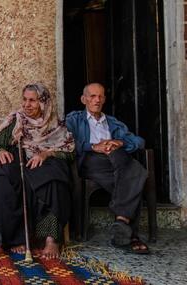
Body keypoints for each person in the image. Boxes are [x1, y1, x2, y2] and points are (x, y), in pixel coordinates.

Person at [0, 83, 75, 259]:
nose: (26, 105)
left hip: (46, 161)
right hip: (21, 159)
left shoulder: (55, 124)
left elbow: (70, 152)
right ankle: (16, 238)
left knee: (55, 180)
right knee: (4, 179)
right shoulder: (17, 120)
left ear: (43, 103)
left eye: (32, 101)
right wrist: (1, 151)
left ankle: (52, 239)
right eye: (25, 100)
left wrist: (46, 154)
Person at [66, 83, 149, 254]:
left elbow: (139, 141)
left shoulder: (112, 122)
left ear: (104, 99)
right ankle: (131, 233)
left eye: (100, 97)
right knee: (136, 174)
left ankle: (122, 226)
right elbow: (66, 143)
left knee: (127, 170)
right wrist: (93, 146)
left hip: (116, 162)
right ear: (84, 99)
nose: (96, 100)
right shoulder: (74, 119)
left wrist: (121, 142)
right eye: (92, 96)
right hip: (91, 162)